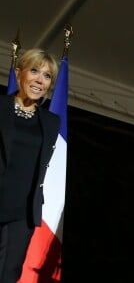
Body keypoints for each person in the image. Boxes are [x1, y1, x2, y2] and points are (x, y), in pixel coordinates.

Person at [0, 48, 60, 282]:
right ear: (18, 73)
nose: (39, 80)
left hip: (23, 210)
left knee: (9, 274)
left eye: (47, 76)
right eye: (34, 71)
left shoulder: (51, 122)